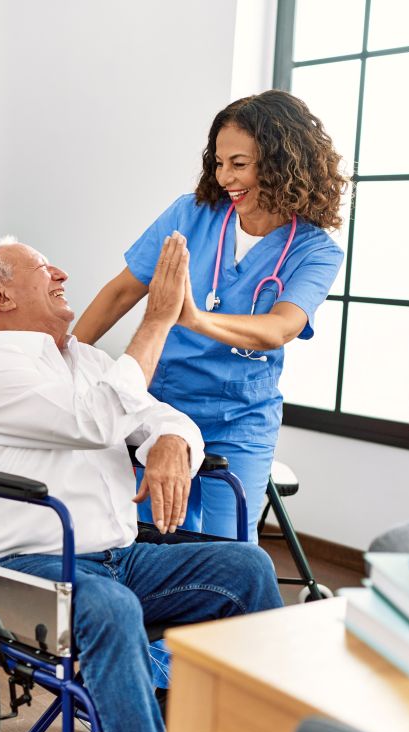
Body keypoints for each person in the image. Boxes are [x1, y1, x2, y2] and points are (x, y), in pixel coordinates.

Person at [0, 236, 283, 732]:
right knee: (111, 608)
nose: (60, 270)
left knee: (248, 567)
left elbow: (165, 418)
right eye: (40, 267)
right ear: (1, 293)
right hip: (26, 567)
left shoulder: (89, 360)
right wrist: (156, 321)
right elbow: (97, 421)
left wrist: (169, 443)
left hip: (120, 560)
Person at [74, 89, 347, 542]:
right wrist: (64, 355)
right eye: (219, 163)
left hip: (240, 417)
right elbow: (122, 291)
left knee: (229, 552)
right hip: (163, 406)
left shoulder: (315, 250)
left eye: (239, 164)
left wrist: (192, 318)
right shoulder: (192, 214)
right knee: (152, 541)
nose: (224, 177)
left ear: (282, 163)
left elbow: (281, 327)